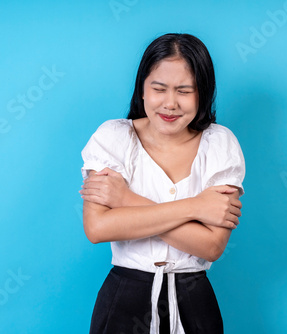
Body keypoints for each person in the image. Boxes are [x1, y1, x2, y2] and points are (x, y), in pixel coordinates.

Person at [79, 33, 245, 334]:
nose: (170, 103)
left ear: (203, 93)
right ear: (142, 88)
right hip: (122, 301)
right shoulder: (113, 138)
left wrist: (126, 200)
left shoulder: (220, 144)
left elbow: (211, 246)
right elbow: (97, 228)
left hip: (194, 303)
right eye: (159, 88)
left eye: (184, 91)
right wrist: (195, 207)